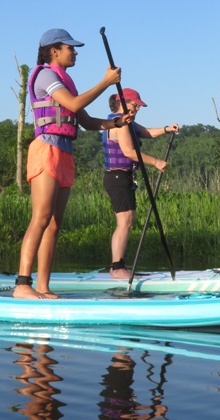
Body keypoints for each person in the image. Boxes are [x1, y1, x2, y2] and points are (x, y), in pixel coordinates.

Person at [14, 28, 134, 299]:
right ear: (54, 51)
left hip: (65, 154)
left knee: (55, 224)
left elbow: (87, 121)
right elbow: (73, 103)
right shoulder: (45, 74)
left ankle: (43, 287)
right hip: (46, 149)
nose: (75, 51)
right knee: (41, 218)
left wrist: (116, 122)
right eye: (70, 47)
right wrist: (105, 82)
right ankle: (22, 284)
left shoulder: (65, 80)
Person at [102, 89, 179, 279]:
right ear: (122, 102)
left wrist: (166, 129)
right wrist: (156, 162)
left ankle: (118, 266)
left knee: (126, 221)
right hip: (118, 177)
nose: (137, 108)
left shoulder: (127, 122)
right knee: (125, 221)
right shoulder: (120, 124)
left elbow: (146, 133)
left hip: (122, 177)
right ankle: (117, 268)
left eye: (138, 106)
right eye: (134, 104)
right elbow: (129, 151)